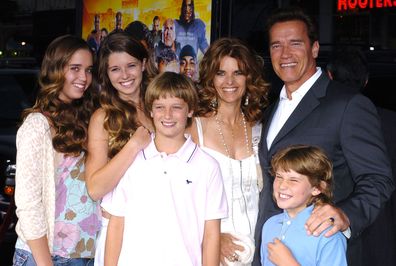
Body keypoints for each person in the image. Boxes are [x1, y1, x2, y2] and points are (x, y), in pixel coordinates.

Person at [253, 7, 394, 266]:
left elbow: (377, 179)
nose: (285, 54)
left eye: (295, 43)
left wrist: (346, 214)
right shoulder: (271, 109)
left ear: (315, 48)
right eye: (276, 46)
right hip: (271, 249)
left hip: (320, 251)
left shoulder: (348, 104)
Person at [103, 71, 228, 265]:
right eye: (159, 107)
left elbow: (211, 234)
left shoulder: (208, 166)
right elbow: (116, 224)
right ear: (150, 111)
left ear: (190, 111)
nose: (167, 115)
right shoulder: (131, 160)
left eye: (176, 107)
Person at [13, 35, 100, 265]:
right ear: (55, 69)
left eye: (89, 70)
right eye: (75, 68)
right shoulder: (37, 125)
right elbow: (29, 204)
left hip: (85, 255)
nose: (84, 78)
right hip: (45, 256)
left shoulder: (87, 118)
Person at [190, 37, 269, 265]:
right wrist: (212, 237)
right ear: (210, 78)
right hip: (211, 250)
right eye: (221, 73)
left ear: (249, 78)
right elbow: (179, 196)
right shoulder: (194, 129)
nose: (229, 81)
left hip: (259, 249)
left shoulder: (260, 128)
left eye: (238, 73)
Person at [85, 32, 153, 266]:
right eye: (115, 69)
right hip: (121, 234)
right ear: (106, 74)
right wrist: (133, 145)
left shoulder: (161, 107)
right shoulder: (102, 117)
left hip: (162, 224)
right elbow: (94, 188)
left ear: (144, 64)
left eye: (131, 65)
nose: (125, 76)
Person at [326, 46, 396, 266]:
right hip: (384, 227)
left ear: (328, 76)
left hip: (334, 229)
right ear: (366, 80)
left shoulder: (321, 121)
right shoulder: (391, 121)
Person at [261, 145, 347, 266]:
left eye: (293, 180)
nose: (282, 186)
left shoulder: (327, 234)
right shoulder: (270, 225)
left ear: (317, 188)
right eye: (279, 177)